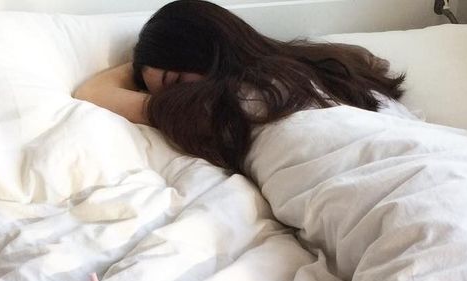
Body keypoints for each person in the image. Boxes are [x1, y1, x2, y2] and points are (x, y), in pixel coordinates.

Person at [74, 0, 405, 172]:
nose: (173, 99)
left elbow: (91, 93)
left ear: (206, 51)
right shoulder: (331, 66)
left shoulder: (227, 101)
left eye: (174, 82)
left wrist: (137, 65)